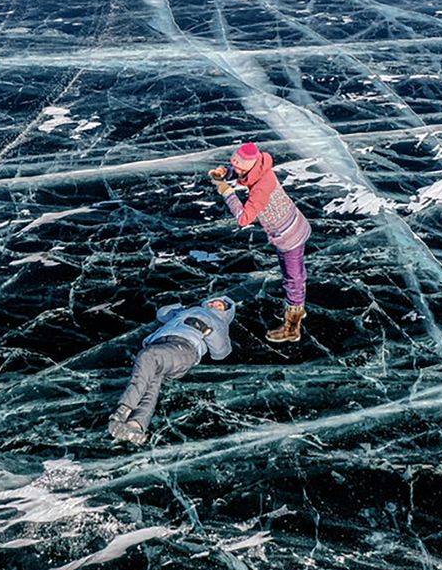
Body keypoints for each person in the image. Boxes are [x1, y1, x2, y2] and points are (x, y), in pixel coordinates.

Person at [210, 142, 311, 343]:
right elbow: (244, 174)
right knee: (295, 273)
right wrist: (227, 174)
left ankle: (293, 325)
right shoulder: (260, 168)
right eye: (233, 164)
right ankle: (298, 304)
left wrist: (226, 192)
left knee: (292, 279)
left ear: (249, 164)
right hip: (293, 224)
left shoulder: (261, 189)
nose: (235, 168)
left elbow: (244, 218)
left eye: (237, 165)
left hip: (289, 235)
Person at [109, 297, 236, 445]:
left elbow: (221, 352)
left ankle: (123, 411)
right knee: (152, 380)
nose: (214, 304)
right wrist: (182, 308)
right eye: (212, 302)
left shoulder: (219, 322)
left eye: (219, 305)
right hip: (162, 346)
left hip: (184, 349)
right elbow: (162, 314)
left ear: (226, 311)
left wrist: (208, 331)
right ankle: (136, 426)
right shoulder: (188, 311)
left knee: (148, 356)